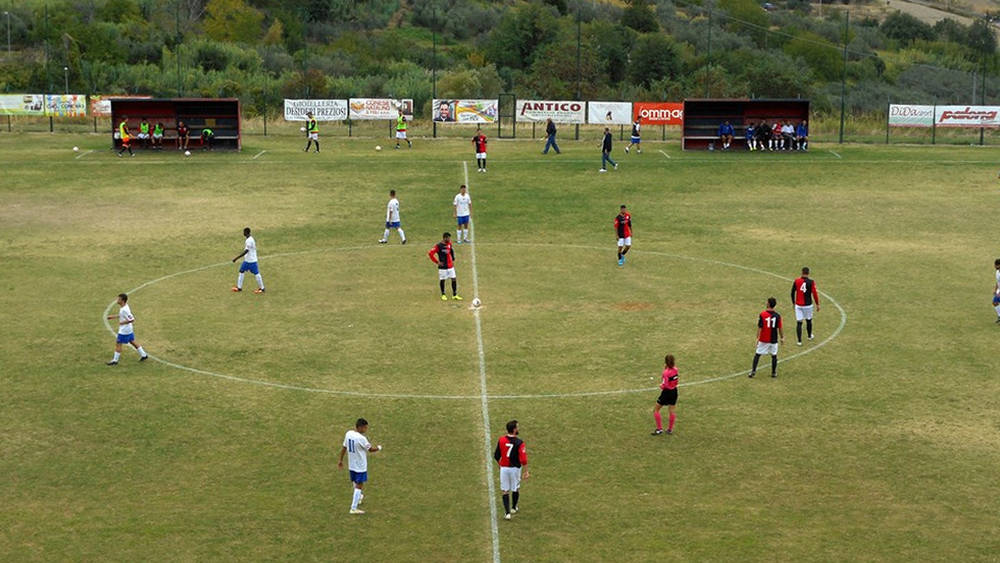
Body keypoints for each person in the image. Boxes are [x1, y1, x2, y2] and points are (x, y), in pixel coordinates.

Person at [338, 417, 382, 515]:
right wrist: (378, 448)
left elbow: (344, 447)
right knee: (359, 485)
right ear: (360, 427)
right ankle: (353, 508)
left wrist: (340, 460)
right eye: (365, 428)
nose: (366, 429)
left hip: (352, 464)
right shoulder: (362, 439)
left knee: (355, 482)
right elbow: (370, 449)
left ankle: (359, 496)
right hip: (360, 466)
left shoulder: (348, 434)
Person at [493, 419, 528, 521]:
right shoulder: (519, 443)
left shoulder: (501, 440)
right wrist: (526, 471)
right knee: (515, 488)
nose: (518, 428)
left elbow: (496, 455)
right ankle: (513, 507)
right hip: (515, 469)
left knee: (505, 490)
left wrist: (500, 465)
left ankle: (507, 513)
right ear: (513, 430)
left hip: (504, 469)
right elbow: (523, 459)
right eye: (517, 427)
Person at [106, 293, 148, 365]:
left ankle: (115, 361)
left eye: (118, 299)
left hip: (124, 330)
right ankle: (144, 355)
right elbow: (122, 315)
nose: (117, 300)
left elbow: (132, 319)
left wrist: (123, 323)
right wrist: (113, 317)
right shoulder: (124, 307)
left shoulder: (124, 310)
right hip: (129, 329)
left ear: (122, 300)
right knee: (132, 341)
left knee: (118, 343)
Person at [750, 297, 783, 378]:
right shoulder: (777, 316)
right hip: (774, 339)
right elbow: (780, 328)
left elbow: (760, 327)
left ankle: (753, 371)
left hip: (764, 339)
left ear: (768, 304)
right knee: (774, 356)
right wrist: (782, 337)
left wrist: (757, 338)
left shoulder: (762, 314)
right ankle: (774, 373)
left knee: (757, 354)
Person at [791, 266, 820, 346]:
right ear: (808, 273)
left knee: (799, 322)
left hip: (798, 305)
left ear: (802, 272)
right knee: (809, 320)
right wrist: (817, 304)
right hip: (808, 305)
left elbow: (792, 292)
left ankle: (799, 341)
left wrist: (793, 302)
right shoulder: (811, 282)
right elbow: (814, 293)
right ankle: (809, 336)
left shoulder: (796, 281)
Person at [232, 227, 265, 294]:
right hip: (247, 261)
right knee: (241, 271)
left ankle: (262, 288)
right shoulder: (249, 239)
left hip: (251, 261)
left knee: (257, 274)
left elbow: (246, 251)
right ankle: (239, 287)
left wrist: (237, 258)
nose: (243, 233)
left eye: (244, 232)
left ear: (246, 233)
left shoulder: (249, 240)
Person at [429, 232, 461, 301]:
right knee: (442, 280)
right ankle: (443, 294)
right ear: (444, 238)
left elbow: (451, 250)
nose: (449, 239)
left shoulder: (449, 243)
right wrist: (437, 262)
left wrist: (453, 258)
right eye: (448, 238)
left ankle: (454, 295)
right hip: (443, 267)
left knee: (454, 279)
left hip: (450, 266)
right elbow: (430, 254)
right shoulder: (438, 246)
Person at [652, 354, 678, 435]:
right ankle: (670, 429)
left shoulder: (665, 373)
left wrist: (661, 386)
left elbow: (665, 385)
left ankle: (659, 429)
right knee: (672, 411)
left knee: (656, 410)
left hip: (666, 392)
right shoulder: (676, 369)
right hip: (674, 391)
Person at [992, 258, 1000, 323]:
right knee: (995, 302)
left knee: (995, 301)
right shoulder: (997, 272)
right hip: (999, 290)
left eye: (995, 265)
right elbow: (998, 282)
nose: (994, 266)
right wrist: (995, 289)